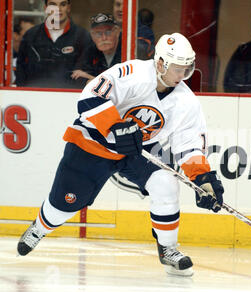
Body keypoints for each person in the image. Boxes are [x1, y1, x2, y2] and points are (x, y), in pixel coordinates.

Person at [16, 33, 225, 277]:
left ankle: (168, 249)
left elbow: (188, 144)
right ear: (160, 63)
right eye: (178, 69)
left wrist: (202, 179)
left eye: (187, 70)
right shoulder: (133, 73)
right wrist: (115, 125)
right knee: (63, 205)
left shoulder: (186, 102)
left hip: (137, 151)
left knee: (166, 183)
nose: (182, 76)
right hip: (93, 144)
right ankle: (40, 227)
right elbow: (89, 95)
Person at [15, 0, 91, 89]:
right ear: (45, 8)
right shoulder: (31, 35)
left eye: (63, 4)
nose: (58, 9)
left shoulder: (82, 36)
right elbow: (21, 68)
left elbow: (87, 71)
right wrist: (24, 93)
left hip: (69, 98)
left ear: (68, 8)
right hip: (35, 98)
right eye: (53, 5)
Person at [71, 13, 121, 85]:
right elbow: (77, 75)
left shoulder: (127, 47)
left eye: (108, 32)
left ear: (117, 32)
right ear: (92, 35)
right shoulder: (90, 50)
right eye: (98, 34)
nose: (104, 38)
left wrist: (92, 79)